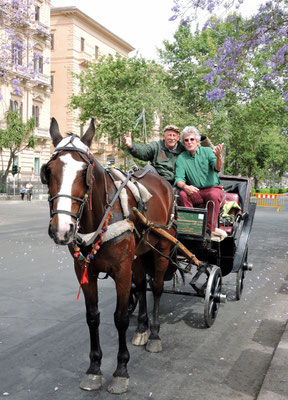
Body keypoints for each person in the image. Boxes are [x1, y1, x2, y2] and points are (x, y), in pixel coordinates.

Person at [123, 125, 214, 185]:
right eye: (169, 135)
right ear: (164, 136)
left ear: (178, 138)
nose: (172, 138)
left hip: (176, 181)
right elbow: (143, 151)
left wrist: (205, 142)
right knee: (147, 169)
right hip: (157, 181)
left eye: (174, 136)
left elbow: (197, 148)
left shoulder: (184, 148)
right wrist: (131, 146)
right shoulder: (156, 146)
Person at [174, 126, 224, 234]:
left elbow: (218, 168)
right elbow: (178, 179)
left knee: (213, 195)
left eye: (192, 139)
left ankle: (208, 231)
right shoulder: (182, 157)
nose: (189, 142)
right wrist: (185, 187)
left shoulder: (207, 151)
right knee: (183, 194)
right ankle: (190, 229)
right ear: (183, 143)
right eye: (186, 140)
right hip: (195, 191)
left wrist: (219, 156)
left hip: (212, 188)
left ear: (197, 141)